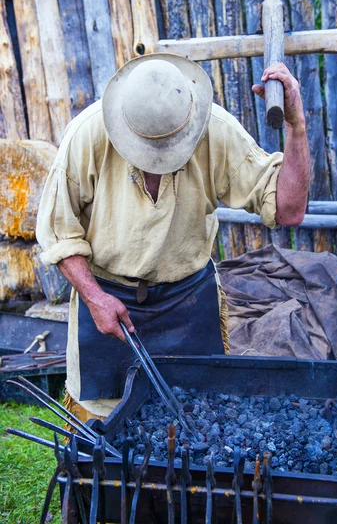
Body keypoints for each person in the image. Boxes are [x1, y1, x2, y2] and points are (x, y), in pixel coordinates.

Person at [36, 53, 310, 421]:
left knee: (198, 419)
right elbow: (58, 230)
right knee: (103, 425)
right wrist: (95, 298)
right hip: (108, 299)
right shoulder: (87, 135)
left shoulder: (214, 130)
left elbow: (288, 208)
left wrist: (297, 127)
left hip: (187, 300)